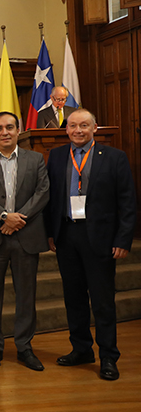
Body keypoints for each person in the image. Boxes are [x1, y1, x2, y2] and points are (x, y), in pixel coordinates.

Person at [45, 109, 135, 380]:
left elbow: (127, 202)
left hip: (101, 239)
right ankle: (81, 349)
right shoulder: (58, 156)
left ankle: (108, 356)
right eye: (73, 126)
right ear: (66, 130)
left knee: (103, 301)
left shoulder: (115, 157)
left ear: (95, 128)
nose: (78, 130)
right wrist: (51, 233)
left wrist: (123, 239)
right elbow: (51, 198)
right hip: (67, 236)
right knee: (74, 298)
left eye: (84, 125)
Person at [0, 111, 49, 371]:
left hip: (26, 235)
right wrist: (4, 216)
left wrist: (18, 219)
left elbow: (43, 192)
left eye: (9, 127)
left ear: (18, 130)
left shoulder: (35, 159)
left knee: (26, 294)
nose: (5, 132)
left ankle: (24, 346)